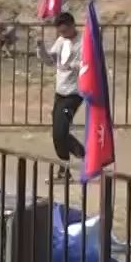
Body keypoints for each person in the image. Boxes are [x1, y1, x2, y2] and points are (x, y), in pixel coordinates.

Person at [36, 11, 85, 178]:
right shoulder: (61, 41)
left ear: (72, 26)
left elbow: (88, 64)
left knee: (60, 131)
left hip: (74, 94)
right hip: (60, 92)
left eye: (65, 31)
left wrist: (73, 65)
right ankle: (82, 153)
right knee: (58, 132)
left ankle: (65, 168)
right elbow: (50, 61)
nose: (63, 34)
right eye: (60, 32)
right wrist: (41, 48)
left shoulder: (83, 43)